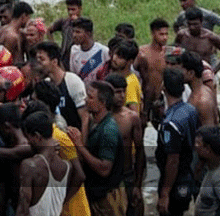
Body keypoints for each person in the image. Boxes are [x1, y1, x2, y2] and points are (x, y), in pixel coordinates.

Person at [68, 81, 126, 216]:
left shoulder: (108, 130)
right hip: (96, 194)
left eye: (90, 97)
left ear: (103, 103)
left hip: (108, 198)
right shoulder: (95, 123)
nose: (85, 100)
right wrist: (84, 123)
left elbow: (104, 169)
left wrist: (79, 146)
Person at [18, 111, 86, 216]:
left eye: (28, 138)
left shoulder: (29, 166)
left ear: (37, 136)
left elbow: (23, 210)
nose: (27, 142)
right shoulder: (67, 167)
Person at [156, 68, 199, 216]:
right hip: (187, 175)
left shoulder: (170, 124)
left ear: (164, 87)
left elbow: (172, 160)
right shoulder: (190, 110)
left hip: (174, 181)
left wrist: (165, 193)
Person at [103, 73, 145, 216]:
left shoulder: (131, 118)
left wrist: (138, 185)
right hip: (106, 177)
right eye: (117, 92)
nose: (121, 96)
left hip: (127, 175)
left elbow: (140, 152)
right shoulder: (98, 117)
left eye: (123, 91)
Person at [35, 41, 88, 130]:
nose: (38, 64)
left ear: (54, 62)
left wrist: (82, 139)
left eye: (42, 59)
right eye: (37, 60)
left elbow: (85, 117)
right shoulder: (46, 84)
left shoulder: (72, 81)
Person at [176, 8, 220, 74]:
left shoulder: (210, 37)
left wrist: (215, 70)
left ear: (201, 22)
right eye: (189, 24)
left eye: (195, 24)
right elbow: (175, 51)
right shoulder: (182, 35)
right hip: (186, 72)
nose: (192, 27)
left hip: (203, 72)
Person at [134, 18, 170, 127]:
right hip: (143, 100)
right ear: (153, 33)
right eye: (161, 34)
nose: (165, 37)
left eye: (166, 34)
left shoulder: (169, 54)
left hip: (161, 101)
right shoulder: (141, 53)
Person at [178, 51, 218, 127]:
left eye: (181, 70)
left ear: (191, 73)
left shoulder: (201, 102)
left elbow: (209, 131)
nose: (178, 73)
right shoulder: (204, 90)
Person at [50, 0, 84, 71]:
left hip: (79, 57)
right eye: (69, 9)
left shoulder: (84, 23)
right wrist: (54, 46)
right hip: (65, 59)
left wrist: (78, 23)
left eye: (73, 9)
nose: (71, 12)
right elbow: (49, 30)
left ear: (80, 9)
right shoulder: (64, 22)